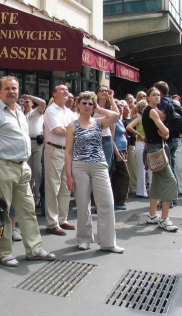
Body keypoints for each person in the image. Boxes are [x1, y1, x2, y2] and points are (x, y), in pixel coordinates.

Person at [0, 76, 56, 267]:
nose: (12, 91)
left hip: (23, 167)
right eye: (7, 88)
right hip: (3, 167)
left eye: (14, 88)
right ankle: (4, 253)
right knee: (3, 212)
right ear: (0, 91)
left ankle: (35, 249)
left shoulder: (20, 112)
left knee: (28, 211)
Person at [65, 91, 124, 253]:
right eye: (84, 103)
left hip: (99, 164)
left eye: (90, 103)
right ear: (78, 104)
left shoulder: (99, 122)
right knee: (83, 203)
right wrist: (68, 175)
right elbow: (68, 151)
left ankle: (108, 242)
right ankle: (84, 238)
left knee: (106, 202)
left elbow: (115, 115)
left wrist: (99, 108)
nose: (87, 106)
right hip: (79, 166)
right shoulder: (73, 125)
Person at [143, 87, 178, 231]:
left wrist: (165, 134)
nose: (157, 97)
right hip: (157, 150)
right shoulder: (151, 111)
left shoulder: (149, 111)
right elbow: (166, 131)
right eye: (154, 95)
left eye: (159, 95)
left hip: (152, 148)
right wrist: (165, 134)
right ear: (148, 98)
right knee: (170, 181)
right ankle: (164, 218)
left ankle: (152, 214)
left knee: (156, 182)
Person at [43, 85, 76, 236]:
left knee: (66, 186)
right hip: (54, 149)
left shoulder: (69, 112)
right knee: (53, 187)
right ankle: (52, 222)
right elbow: (57, 130)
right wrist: (73, 131)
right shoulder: (50, 110)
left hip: (68, 151)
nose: (66, 92)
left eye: (67, 91)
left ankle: (62, 219)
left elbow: (75, 127)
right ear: (54, 94)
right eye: (62, 90)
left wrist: (71, 130)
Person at [22, 94, 46, 206]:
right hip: (26, 143)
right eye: (24, 101)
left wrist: (30, 96)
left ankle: (38, 196)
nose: (26, 104)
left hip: (37, 142)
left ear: (32, 103)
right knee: (28, 171)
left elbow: (43, 103)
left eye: (28, 102)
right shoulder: (20, 114)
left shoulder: (36, 112)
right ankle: (30, 196)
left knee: (37, 170)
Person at [126, 100, 151, 198]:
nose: (146, 108)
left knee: (151, 168)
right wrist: (139, 135)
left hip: (150, 144)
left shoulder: (151, 117)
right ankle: (141, 191)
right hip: (140, 144)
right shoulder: (139, 118)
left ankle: (152, 191)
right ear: (140, 109)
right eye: (143, 106)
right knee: (141, 168)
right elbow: (129, 127)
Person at [94, 85, 120, 172]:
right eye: (101, 90)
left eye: (106, 90)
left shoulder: (109, 107)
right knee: (95, 165)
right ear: (97, 93)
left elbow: (117, 115)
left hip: (106, 138)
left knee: (107, 165)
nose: (104, 92)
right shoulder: (92, 106)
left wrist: (111, 98)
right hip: (94, 137)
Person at [111, 100, 130, 210]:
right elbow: (111, 138)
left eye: (122, 106)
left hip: (123, 150)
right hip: (117, 151)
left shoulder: (120, 120)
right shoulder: (113, 121)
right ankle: (119, 201)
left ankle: (118, 200)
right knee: (124, 175)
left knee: (119, 176)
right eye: (117, 106)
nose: (120, 108)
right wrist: (117, 154)